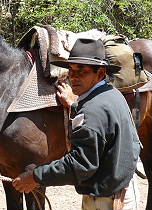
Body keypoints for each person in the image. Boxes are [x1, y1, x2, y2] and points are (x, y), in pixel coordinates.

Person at [12, 38, 141, 210]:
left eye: (82, 71)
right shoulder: (112, 94)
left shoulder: (92, 110)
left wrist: (35, 177)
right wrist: (74, 106)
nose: (73, 76)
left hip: (106, 201)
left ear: (101, 73)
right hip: (123, 189)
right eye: (71, 70)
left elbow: (80, 165)